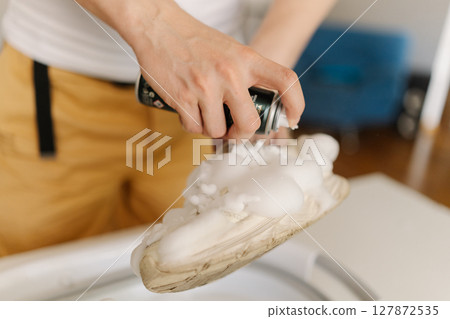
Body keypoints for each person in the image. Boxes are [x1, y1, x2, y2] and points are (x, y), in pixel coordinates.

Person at [0, 0, 336, 256]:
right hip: (56, 89)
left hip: (208, 101)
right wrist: (159, 28)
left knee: (177, 259)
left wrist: (261, 73)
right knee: (42, 266)